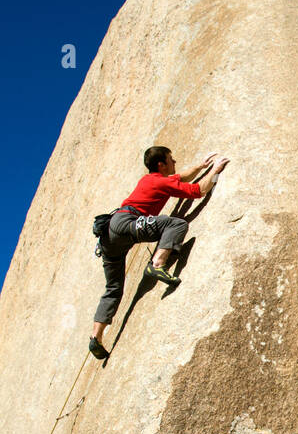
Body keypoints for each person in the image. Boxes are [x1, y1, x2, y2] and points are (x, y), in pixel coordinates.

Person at [89, 146, 230, 359]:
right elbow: (198, 191)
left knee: (113, 288)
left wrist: (201, 166)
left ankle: (95, 337)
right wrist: (215, 171)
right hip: (126, 223)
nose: (175, 162)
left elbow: (179, 177)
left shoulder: (150, 180)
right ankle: (158, 264)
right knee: (176, 224)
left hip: (109, 236)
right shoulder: (160, 181)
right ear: (161, 164)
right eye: (171, 159)